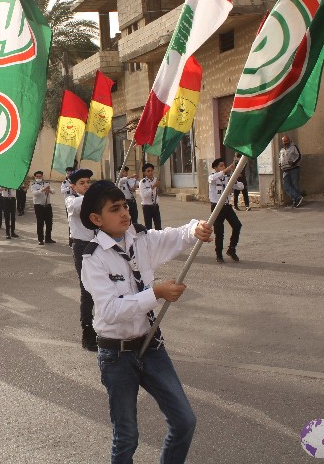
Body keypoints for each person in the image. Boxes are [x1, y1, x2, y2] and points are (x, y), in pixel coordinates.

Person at [79, 180, 212, 464]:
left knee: (184, 421)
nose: (125, 213)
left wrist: (196, 228)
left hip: (151, 345)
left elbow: (175, 237)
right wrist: (157, 293)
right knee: (126, 435)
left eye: (126, 205)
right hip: (117, 354)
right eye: (115, 209)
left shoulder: (140, 239)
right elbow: (111, 310)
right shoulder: (93, 259)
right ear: (96, 219)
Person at [66, 168, 97, 351]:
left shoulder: (93, 199)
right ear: (73, 186)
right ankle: (87, 333)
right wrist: (97, 194)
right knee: (87, 291)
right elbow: (78, 206)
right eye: (82, 183)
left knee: (102, 288)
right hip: (82, 247)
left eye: (88, 182)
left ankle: (103, 329)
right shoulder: (72, 200)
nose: (86, 185)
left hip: (98, 246)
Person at [209, 158, 244, 263]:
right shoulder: (212, 177)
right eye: (221, 165)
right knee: (219, 232)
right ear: (215, 168)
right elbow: (212, 179)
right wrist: (227, 170)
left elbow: (241, 187)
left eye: (224, 165)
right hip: (217, 206)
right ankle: (219, 254)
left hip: (227, 206)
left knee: (237, 225)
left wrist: (235, 178)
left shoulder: (227, 178)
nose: (223, 167)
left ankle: (231, 249)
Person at [30, 171, 56, 245]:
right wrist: (43, 190)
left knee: (49, 223)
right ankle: (40, 239)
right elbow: (35, 193)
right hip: (39, 206)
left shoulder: (46, 183)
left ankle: (48, 238)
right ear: (35, 177)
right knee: (40, 223)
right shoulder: (33, 185)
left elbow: (54, 192)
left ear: (42, 177)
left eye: (40, 176)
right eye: (37, 177)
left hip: (47, 205)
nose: (38, 178)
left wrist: (49, 190)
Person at [279, 135, 303, 207]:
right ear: (282, 142)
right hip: (285, 171)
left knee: (295, 186)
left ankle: (296, 202)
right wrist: (280, 164)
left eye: (286, 141)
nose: (285, 142)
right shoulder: (281, 150)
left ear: (289, 140)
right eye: (284, 141)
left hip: (294, 169)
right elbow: (279, 159)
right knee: (286, 186)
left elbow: (299, 156)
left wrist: (293, 163)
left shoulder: (293, 147)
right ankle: (298, 198)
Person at [139, 163, 162, 230]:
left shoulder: (155, 179)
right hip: (147, 206)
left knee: (158, 225)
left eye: (151, 170)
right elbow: (144, 195)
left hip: (155, 205)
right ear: (144, 172)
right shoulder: (142, 182)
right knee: (148, 226)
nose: (150, 172)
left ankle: (159, 239)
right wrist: (153, 187)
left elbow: (156, 193)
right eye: (148, 171)